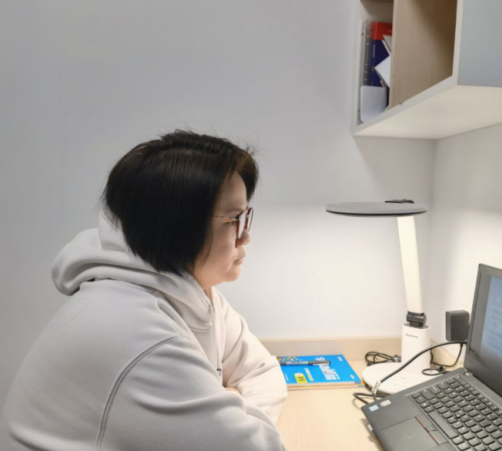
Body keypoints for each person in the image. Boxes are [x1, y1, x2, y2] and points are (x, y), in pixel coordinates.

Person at [0, 131, 288, 451]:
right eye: (234, 219)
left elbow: (261, 370)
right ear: (180, 226)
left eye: (245, 217)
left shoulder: (194, 295)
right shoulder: (136, 333)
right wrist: (235, 417)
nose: (245, 236)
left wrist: (234, 416)